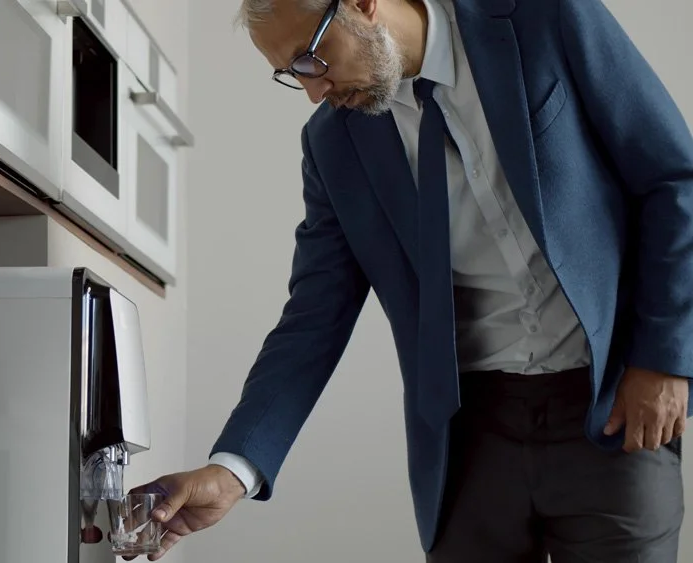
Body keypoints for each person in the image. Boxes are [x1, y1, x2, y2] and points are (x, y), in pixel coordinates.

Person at [128, 0, 693, 561]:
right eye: (291, 74)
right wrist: (233, 469)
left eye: (310, 59)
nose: (313, 92)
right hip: (468, 440)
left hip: (614, 407)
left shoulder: (545, 18)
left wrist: (666, 358)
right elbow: (313, 317)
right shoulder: (334, 144)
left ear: (362, 5)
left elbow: (674, 181)